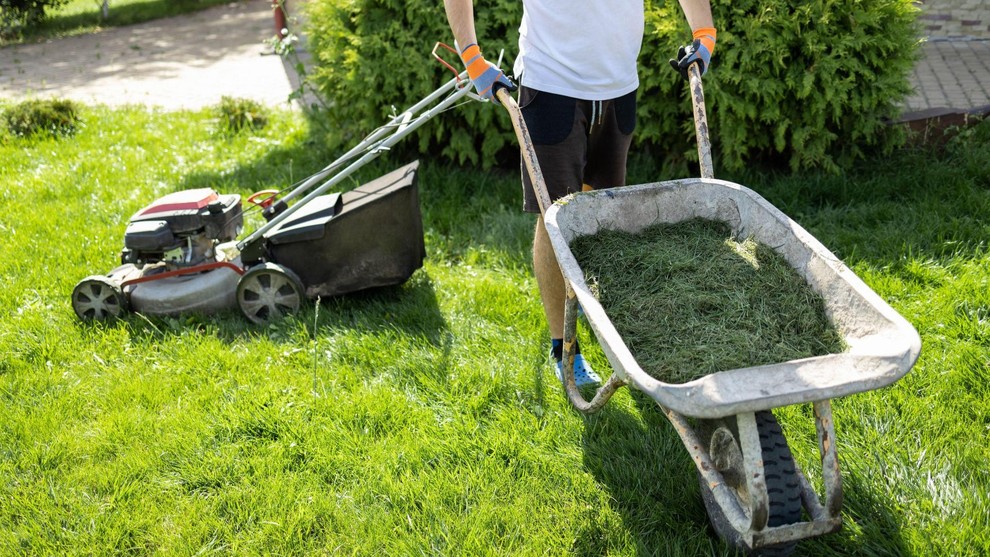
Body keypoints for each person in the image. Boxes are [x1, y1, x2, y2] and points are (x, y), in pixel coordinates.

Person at [443, 0, 716, 387]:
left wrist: (705, 31)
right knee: (555, 219)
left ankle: (601, 318)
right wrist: (471, 56)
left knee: (603, 219)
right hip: (550, 88)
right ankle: (564, 348)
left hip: (619, 87)